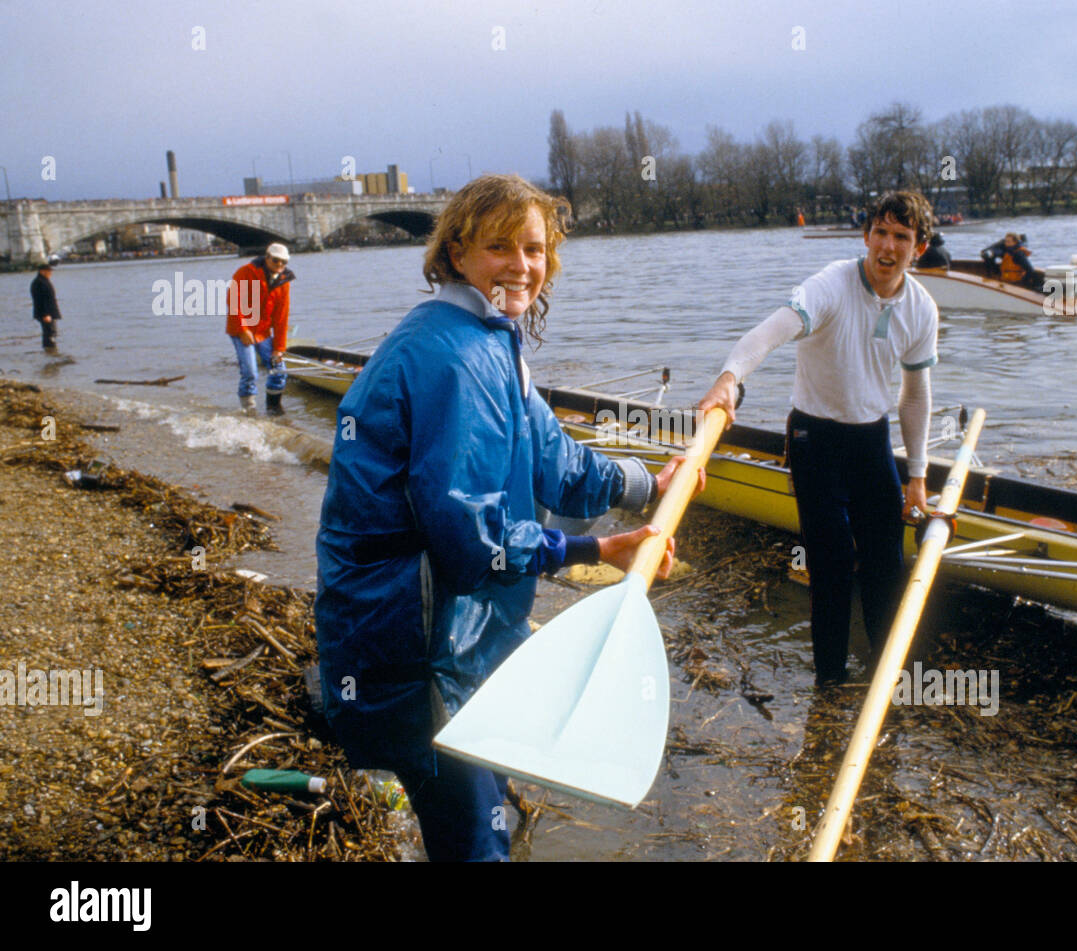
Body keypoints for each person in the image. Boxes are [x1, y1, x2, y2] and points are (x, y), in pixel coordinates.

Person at [314, 173, 696, 861]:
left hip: (459, 637)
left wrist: (649, 482)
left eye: (535, 248)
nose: (522, 266)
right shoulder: (451, 357)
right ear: (457, 253)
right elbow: (470, 541)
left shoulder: (492, 338)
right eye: (500, 247)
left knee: (483, 809)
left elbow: (554, 459)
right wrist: (592, 550)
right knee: (473, 839)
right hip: (412, 648)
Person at [697, 190, 939, 687]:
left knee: (885, 566)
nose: (887, 247)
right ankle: (828, 684)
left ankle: (882, 681)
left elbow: (915, 396)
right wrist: (730, 377)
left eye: (902, 237)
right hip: (815, 439)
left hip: (873, 440)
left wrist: (916, 476)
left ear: (920, 247)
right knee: (829, 565)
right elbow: (770, 332)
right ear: (866, 235)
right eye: (881, 233)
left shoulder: (922, 308)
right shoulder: (830, 285)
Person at [226, 242, 293, 415]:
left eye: (283, 262)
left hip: (263, 333)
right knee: (250, 372)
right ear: (267, 257)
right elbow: (233, 301)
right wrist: (243, 329)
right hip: (240, 330)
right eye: (276, 260)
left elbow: (281, 318)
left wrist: (279, 349)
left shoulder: (284, 282)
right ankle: (249, 409)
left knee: (279, 369)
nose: (279, 265)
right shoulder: (246, 272)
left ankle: (273, 407)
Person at [30, 258, 61, 352]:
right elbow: (40, 300)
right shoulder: (39, 282)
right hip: (46, 313)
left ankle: (50, 352)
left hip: (49, 312)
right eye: (48, 271)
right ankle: (50, 350)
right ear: (42, 271)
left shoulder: (43, 281)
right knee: (49, 332)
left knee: (51, 332)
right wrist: (45, 314)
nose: (50, 273)